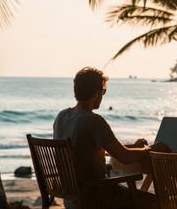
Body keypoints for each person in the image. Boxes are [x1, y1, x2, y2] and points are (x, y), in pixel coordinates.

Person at [53, 67, 170, 209]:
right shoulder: (94, 121)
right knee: (159, 201)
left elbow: (88, 149)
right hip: (98, 197)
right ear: (97, 93)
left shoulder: (62, 117)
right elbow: (125, 158)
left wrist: (133, 147)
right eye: (103, 92)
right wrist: (150, 149)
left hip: (72, 200)